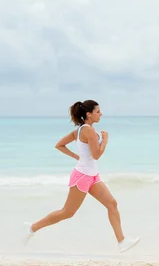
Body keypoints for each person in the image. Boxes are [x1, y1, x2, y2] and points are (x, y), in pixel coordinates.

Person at [23, 100, 140, 253]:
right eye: (98, 111)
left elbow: (59, 145)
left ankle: (122, 242)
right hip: (82, 176)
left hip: (92, 176)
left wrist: (77, 156)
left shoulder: (83, 130)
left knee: (112, 204)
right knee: (67, 212)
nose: (101, 114)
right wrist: (105, 141)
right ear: (88, 114)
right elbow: (96, 155)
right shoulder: (87, 130)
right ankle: (32, 228)